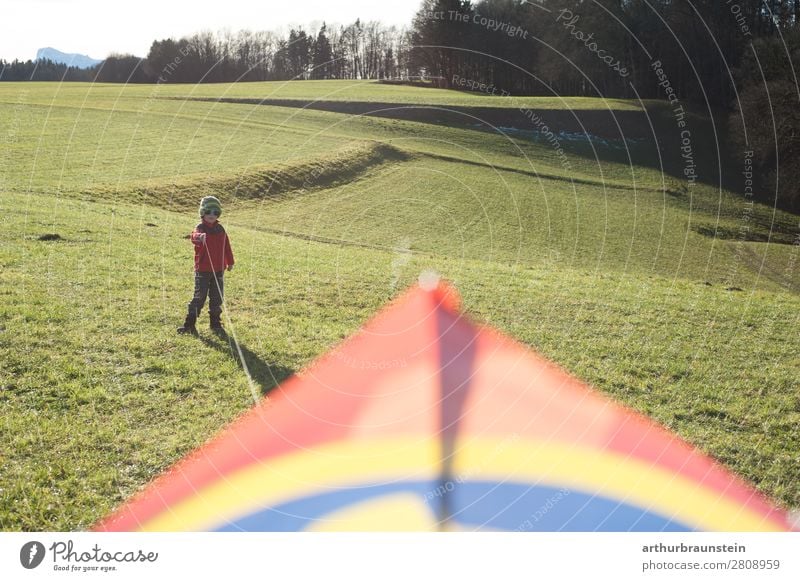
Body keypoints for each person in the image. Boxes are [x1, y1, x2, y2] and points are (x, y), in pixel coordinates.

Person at [177, 196, 234, 335]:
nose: (212, 215)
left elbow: (226, 246)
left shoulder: (220, 229)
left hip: (219, 270)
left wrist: (230, 261)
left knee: (217, 297)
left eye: (216, 212)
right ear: (202, 212)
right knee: (199, 297)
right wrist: (199, 237)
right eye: (208, 211)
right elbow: (193, 237)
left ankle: (215, 324)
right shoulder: (200, 228)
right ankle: (189, 324)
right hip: (203, 270)